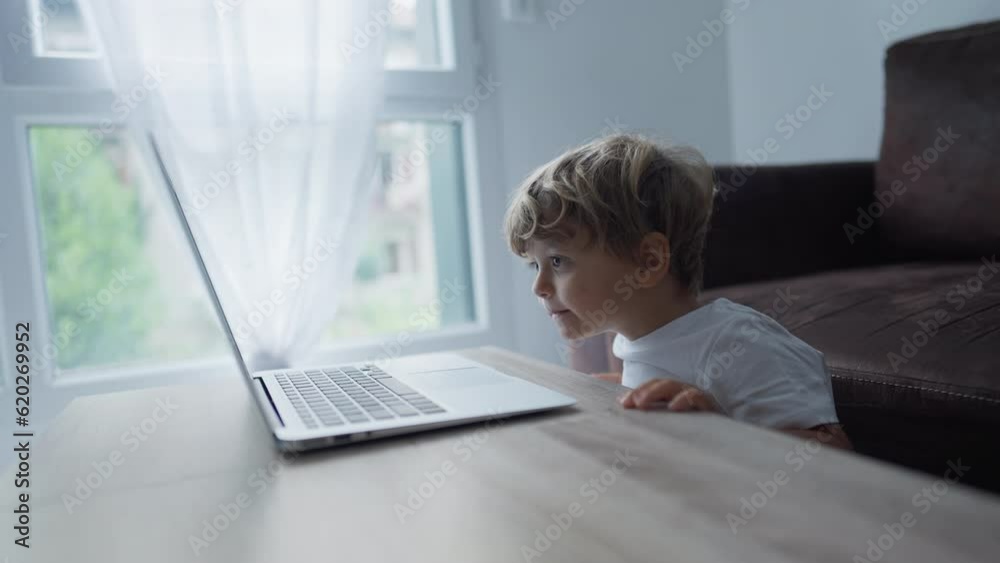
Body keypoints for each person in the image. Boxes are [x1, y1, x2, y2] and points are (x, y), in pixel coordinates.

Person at [503, 133, 851, 448]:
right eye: (535, 265)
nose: (540, 287)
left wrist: (720, 431)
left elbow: (835, 454)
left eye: (559, 261)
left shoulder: (739, 343)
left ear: (649, 262)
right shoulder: (634, 341)